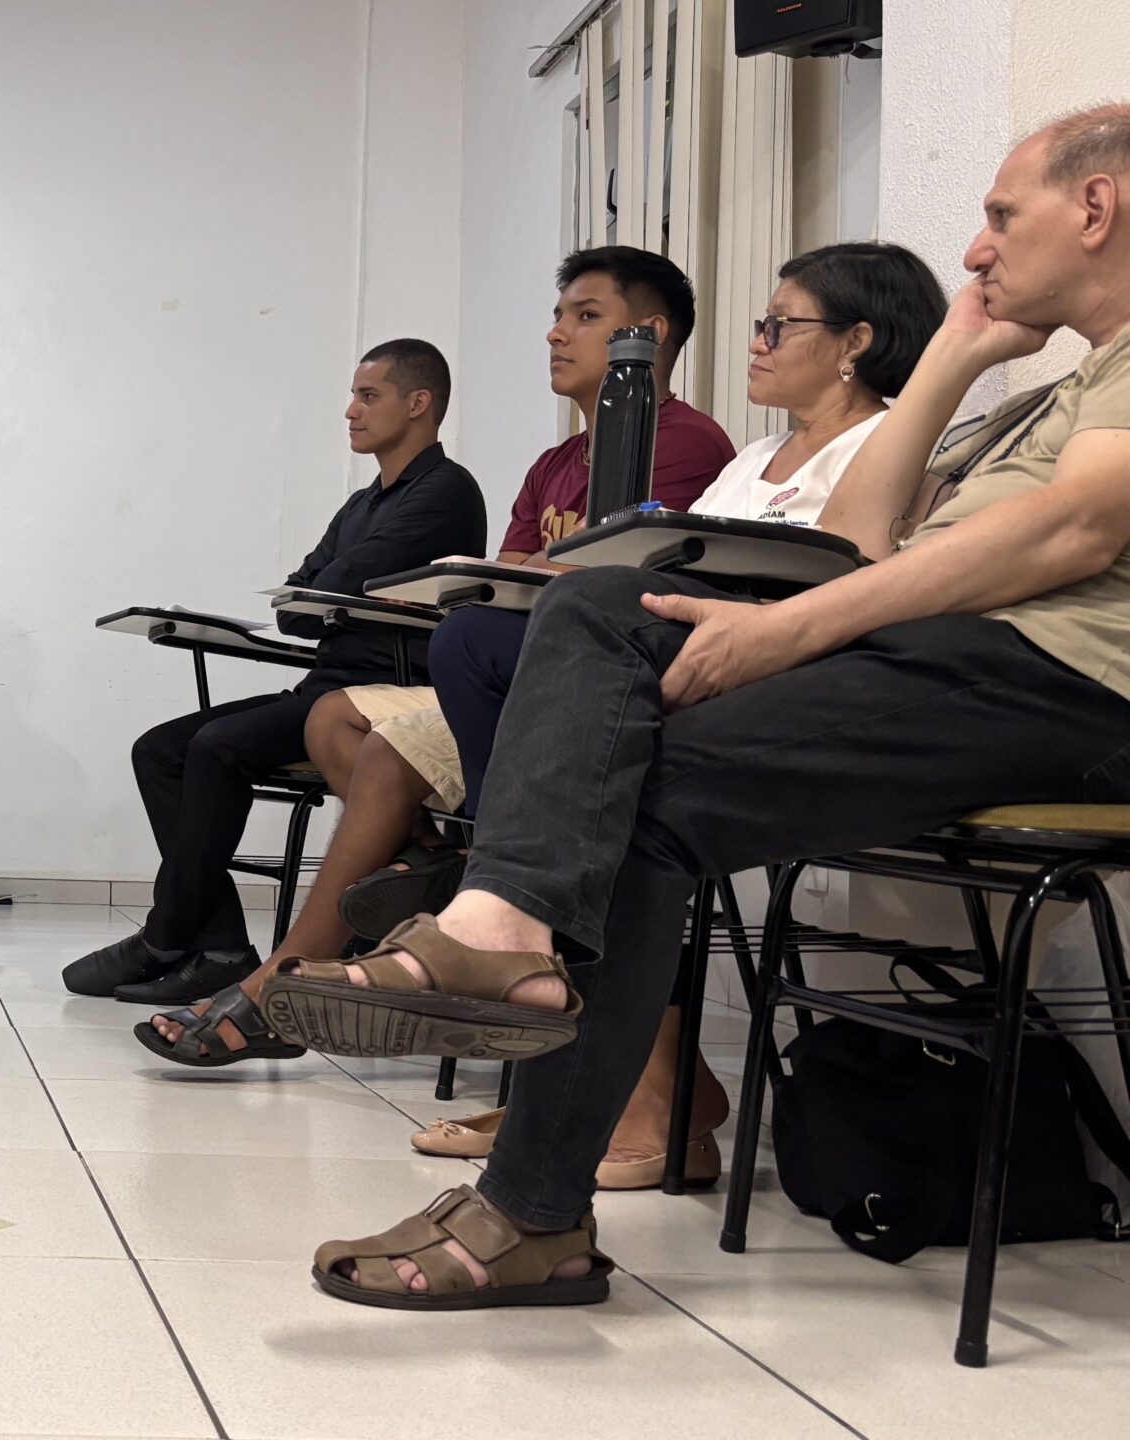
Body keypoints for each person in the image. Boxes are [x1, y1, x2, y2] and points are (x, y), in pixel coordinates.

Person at [266, 104, 1130, 1309]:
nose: (975, 250)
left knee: (616, 794)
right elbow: (856, 542)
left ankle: (525, 1160)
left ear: (1093, 208)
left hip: (1062, 686)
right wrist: (953, 356)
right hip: (958, 665)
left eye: (998, 215)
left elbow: (1079, 528)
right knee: (596, 606)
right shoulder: (1058, 390)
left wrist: (790, 631)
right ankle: (503, 937)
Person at [141, 242, 948, 1193]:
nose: (758, 340)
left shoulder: (862, 445)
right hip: (655, 669)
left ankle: (499, 905)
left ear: (856, 342)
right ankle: (553, 980)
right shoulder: (756, 457)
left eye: (781, 324)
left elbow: (827, 579)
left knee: (513, 697)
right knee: (481, 664)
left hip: (749, 679)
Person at [64, 340, 487, 1008]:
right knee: (160, 749)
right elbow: (297, 606)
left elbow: (328, 585)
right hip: (325, 687)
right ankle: (217, 946)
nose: (350, 411)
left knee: (216, 747)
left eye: (368, 396)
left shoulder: (446, 492)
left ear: (418, 403)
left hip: (387, 695)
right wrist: (329, 593)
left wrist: (329, 592)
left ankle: (169, 938)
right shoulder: (362, 505)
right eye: (353, 396)